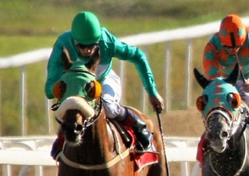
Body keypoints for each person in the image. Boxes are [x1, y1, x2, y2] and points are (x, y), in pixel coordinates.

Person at [45, 11, 164, 152]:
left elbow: (138, 56)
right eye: (82, 46)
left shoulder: (107, 41)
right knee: (71, 108)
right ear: (74, 40)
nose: (87, 50)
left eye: (92, 45)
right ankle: (62, 139)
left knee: (109, 109)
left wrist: (152, 91)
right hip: (77, 87)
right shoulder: (62, 45)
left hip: (104, 79)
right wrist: (59, 89)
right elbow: (49, 89)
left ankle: (138, 125)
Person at [202, 14, 249, 119]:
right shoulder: (212, 47)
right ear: (221, 41)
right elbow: (212, 75)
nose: (233, 50)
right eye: (227, 48)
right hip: (225, 80)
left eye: (238, 46)